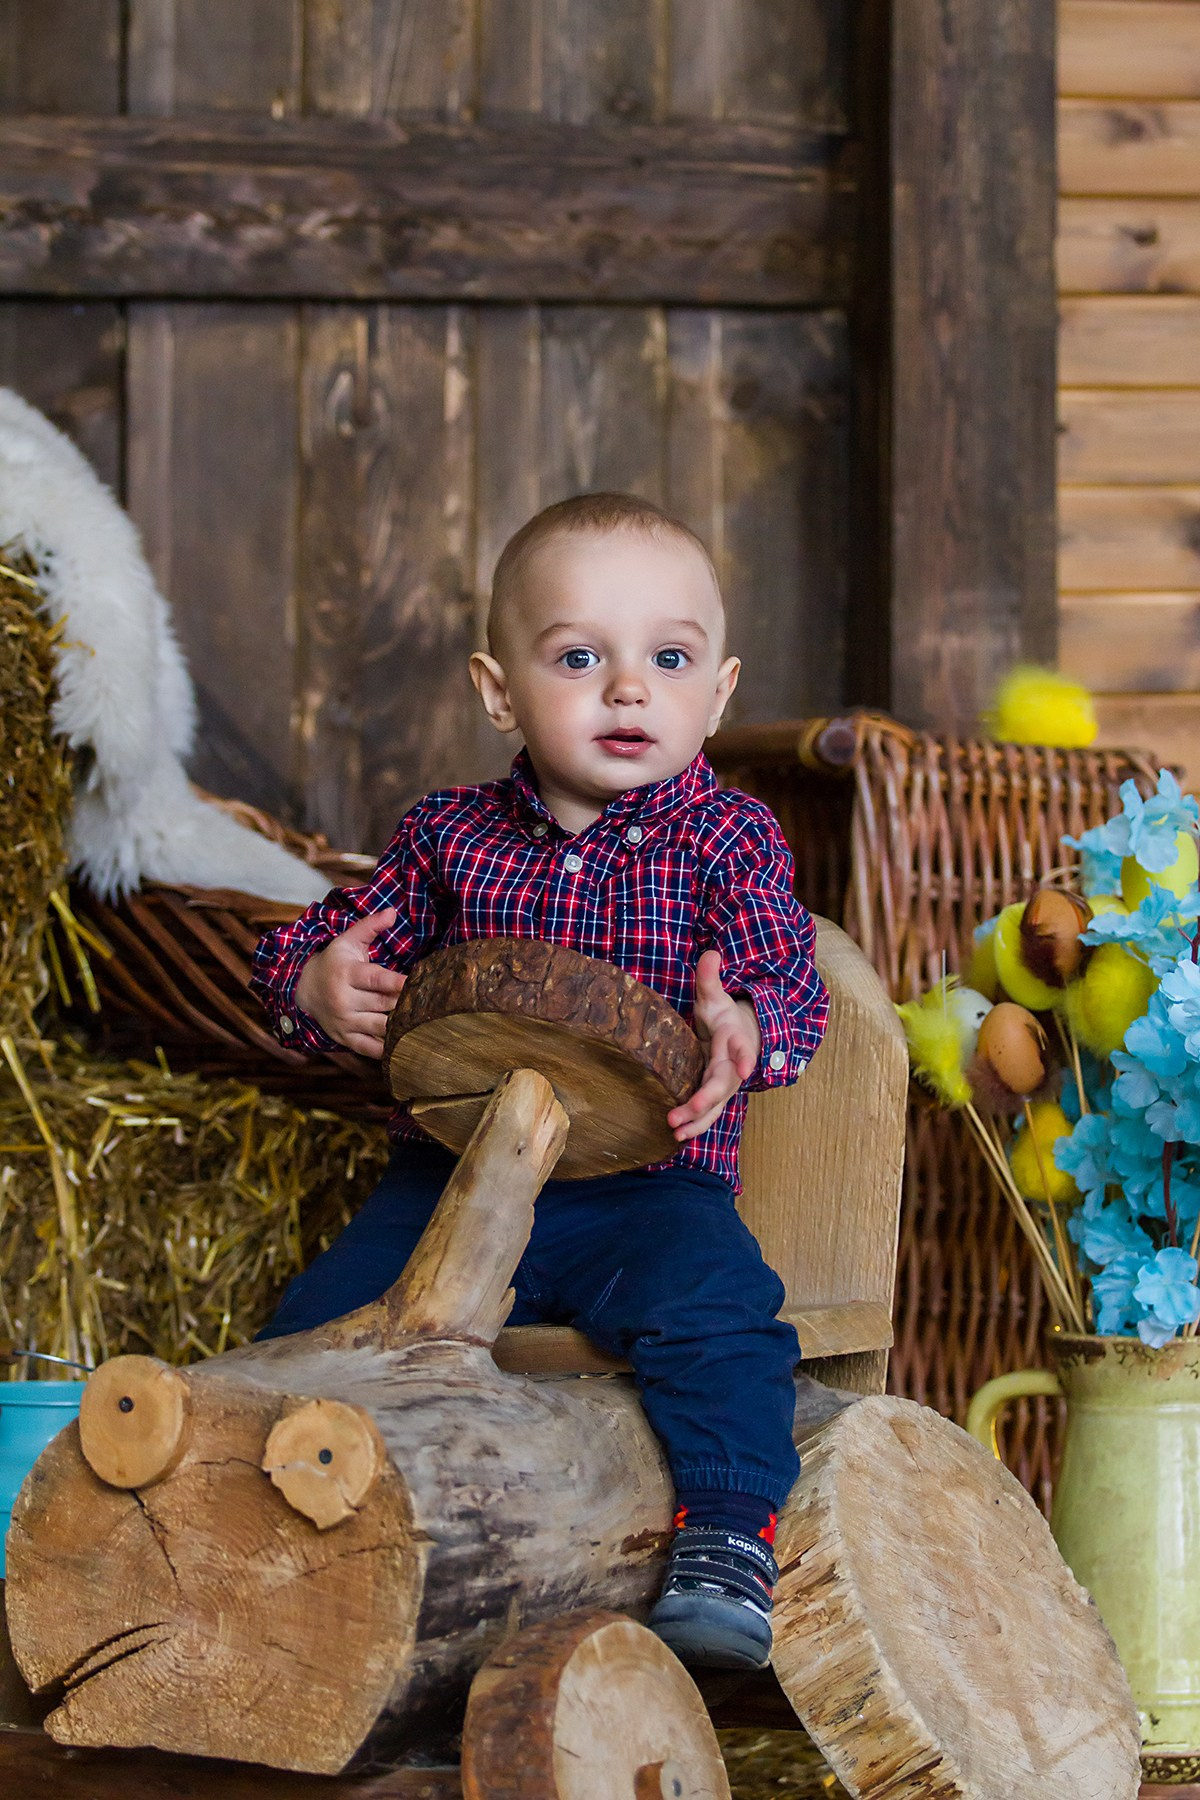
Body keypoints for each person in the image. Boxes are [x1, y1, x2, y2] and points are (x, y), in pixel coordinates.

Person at [251, 492, 829, 1669]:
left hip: (647, 1186)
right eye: (580, 657)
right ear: (498, 689)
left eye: (668, 658)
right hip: (453, 1179)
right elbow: (311, 941)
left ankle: (726, 1535)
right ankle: (285, 1535)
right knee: (314, 1330)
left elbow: (789, 986)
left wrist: (746, 1032)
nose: (628, 689)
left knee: (723, 1319)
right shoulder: (448, 836)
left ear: (716, 693)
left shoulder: (729, 842)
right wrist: (316, 987)